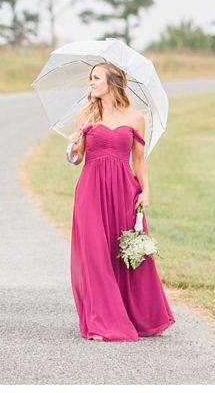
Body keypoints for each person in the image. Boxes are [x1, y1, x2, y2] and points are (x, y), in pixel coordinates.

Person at [66, 62, 175, 341]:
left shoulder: (136, 118)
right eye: (90, 78)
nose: (90, 83)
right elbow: (76, 159)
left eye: (96, 78)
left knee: (123, 253)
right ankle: (102, 321)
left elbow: (138, 158)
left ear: (112, 83)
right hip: (91, 190)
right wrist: (74, 143)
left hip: (124, 191)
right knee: (94, 254)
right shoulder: (86, 115)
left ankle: (135, 314)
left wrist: (146, 190)